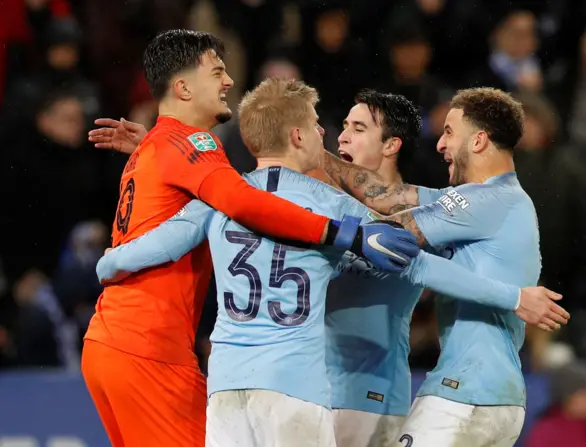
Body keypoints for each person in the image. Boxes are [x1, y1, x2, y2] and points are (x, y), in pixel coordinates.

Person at [93, 83, 568, 447]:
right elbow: (415, 264)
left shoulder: (223, 196)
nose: (332, 133)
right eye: (324, 124)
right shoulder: (335, 214)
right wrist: (514, 297)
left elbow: (139, 252)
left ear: (392, 146)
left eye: (355, 128)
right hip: (299, 387)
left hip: (234, 384)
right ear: (298, 134)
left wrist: (111, 254)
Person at [81, 30, 415, 447]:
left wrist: (110, 260)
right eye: (217, 71)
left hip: (109, 341)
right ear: (183, 87)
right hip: (150, 347)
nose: (228, 82)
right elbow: (243, 200)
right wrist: (341, 233)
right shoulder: (193, 144)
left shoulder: (157, 148)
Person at [321, 87, 553, 446]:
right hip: (492, 394)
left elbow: (390, 239)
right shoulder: (487, 201)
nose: (440, 145)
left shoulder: (488, 201)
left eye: (448, 132)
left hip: (467, 391)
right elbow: (383, 196)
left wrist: (307, 170)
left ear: (478, 141)